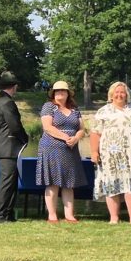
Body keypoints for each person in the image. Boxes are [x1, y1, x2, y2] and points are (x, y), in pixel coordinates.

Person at [90, 81, 131, 225]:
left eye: (122, 92)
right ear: (111, 95)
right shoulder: (103, 111)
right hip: (110, 154)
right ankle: (114, 218)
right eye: (116, 92)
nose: (119, 94)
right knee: (111, 183)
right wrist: (93, 151)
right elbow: (95, 133)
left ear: (127, 95)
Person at [36, 80, 88, 223]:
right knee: (53, 182)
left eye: (63, 91)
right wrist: (66, 137)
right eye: (57, 91)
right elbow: (47, 127)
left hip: (71, 150)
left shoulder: (75, 110)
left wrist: (76, 138)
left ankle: (69, 215)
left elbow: (82, 129)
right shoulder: (49, 107)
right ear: (53, 93)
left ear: (67, 94)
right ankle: (52, 215)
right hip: (51, 148)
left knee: (69, 183)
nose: (60, 93)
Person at [0, 71, 29, 223]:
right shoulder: (7, 103)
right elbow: (14, 126)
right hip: (7, 147)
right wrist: (25, 138)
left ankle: (7, 214)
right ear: (14, 87)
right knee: (7, 182)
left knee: (10, 180)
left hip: (1, 146)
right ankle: (0, 215)